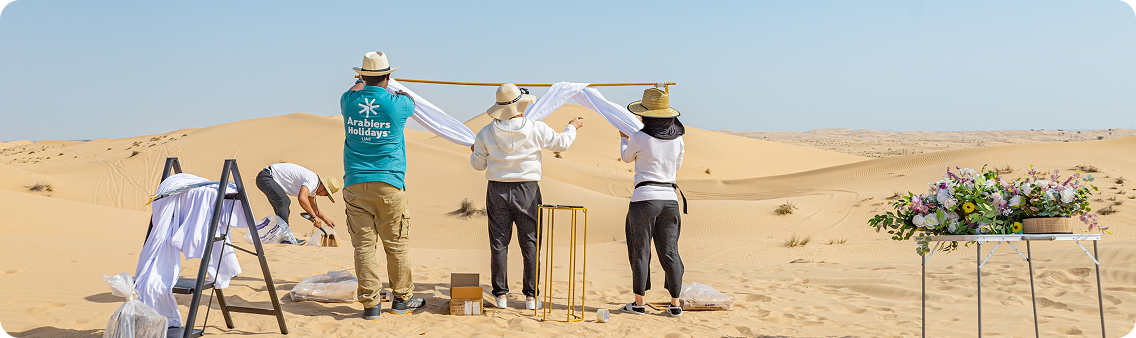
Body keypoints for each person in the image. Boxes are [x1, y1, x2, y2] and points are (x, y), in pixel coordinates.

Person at [470, 83, 584, 310]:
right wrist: (571, 127)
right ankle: (531, 297)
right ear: (521, 107)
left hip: (497, 190)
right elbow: (562, 143)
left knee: (499, 244)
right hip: (527, 191)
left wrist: (474, 151)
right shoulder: (535, 128)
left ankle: (500, 295)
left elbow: (477, 165)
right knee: (530, 243)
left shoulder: (486, 132)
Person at [341, 51, 426, 320]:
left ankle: (371, 305)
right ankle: (402, 298)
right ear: (388, 76)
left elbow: (353, 90)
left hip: (355, 184)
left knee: (364, 247)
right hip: (388, 183)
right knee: (396, 246)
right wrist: (391, 85)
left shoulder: (348, 101)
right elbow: (411, 102)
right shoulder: (397, 104)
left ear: (362, 75)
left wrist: (360, 82)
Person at [617, 88, 686, 317]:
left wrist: (623, 140)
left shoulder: (639, 136)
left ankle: (639, 302)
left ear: (646, 115)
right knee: (670, 251)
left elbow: (627, 158)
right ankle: (675, 304)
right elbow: (676, 167)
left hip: (644, 198)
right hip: (670, 198)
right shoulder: (678, 140)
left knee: (640, 250)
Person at [254, 163, 339, 229]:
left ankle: (279, 233)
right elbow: (302, 198)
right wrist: (314, 217)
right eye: (327, 194)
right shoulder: (313, 181)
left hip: (268, 178)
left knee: (281, 205)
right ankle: (284, 235)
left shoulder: (313, 189)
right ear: (324, 188)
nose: (324, 196)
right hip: (266, 177)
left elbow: (313, 206)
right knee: (284, 201)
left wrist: (325, 219)